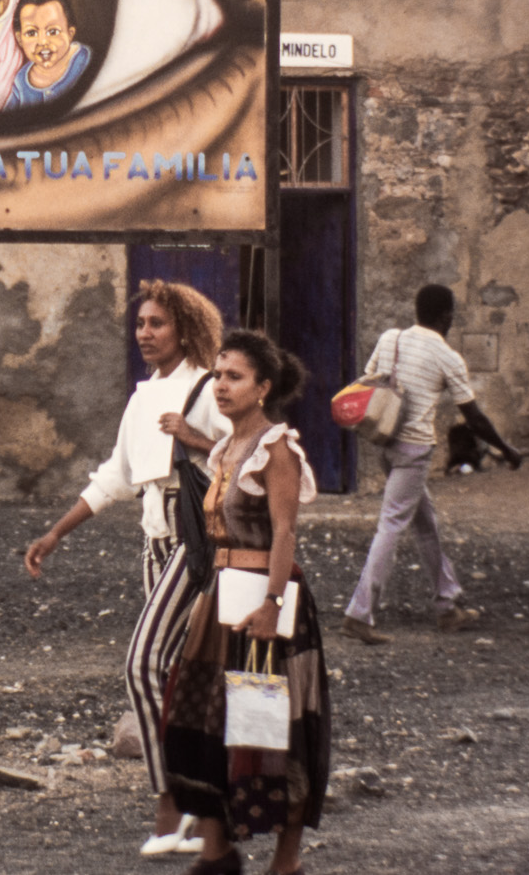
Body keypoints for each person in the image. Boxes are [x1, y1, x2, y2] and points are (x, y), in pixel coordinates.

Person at [23, 280, 228, 858]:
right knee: (179, 675)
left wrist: (194, 437)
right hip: (155, 543)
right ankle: (208, 804)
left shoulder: (208, 388)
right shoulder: (142, 398)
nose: (145, 333)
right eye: (140, 324)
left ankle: (170, 804)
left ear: (184, 329)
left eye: (157, 323)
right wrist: (57, 533)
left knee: (143, 662)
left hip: (197, 542)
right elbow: (114, 475)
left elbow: (243, 454)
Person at [161, 329, 330, 875]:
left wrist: (273, 604)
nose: (220, 385)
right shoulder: (225, 447)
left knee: (269, 726)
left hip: (265, 607)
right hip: (221, 602)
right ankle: (217, 853)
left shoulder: (277, 449)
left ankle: (286, 862)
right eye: (217, 374)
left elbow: (285, 534)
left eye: (234, 376)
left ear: (263, 387)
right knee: (207, 721)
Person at [339, 284, 521, 645]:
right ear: (446, 316)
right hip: (415, 450)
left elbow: (368, 380)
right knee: (391, 525)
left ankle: (447, 605)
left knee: (426, 525)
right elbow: (474, 418)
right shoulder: (448, 357)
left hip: (386, 444)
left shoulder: (391, 339)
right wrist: (507, 449)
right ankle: (359, 613)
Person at [5, 0, 92, 108]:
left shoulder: (85, 63)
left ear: (70, 33)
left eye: (53, 31)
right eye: (31, 33)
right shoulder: (20, 83)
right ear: (20, 39)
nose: (42, 41)